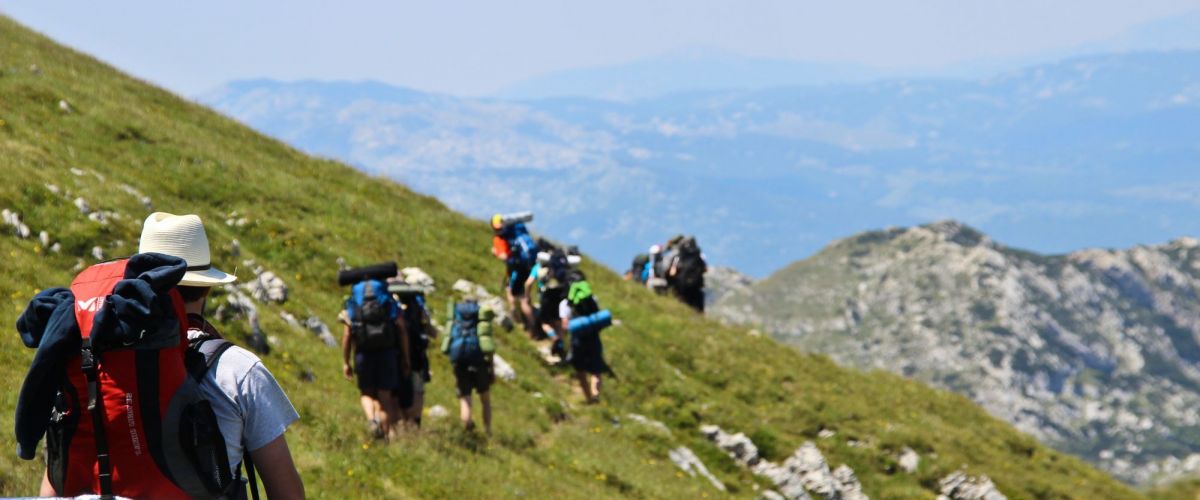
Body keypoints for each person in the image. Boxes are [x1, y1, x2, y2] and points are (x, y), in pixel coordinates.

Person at [32, 212, 305, 498]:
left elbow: (54, 486)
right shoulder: (239, 370)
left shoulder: (90, 358)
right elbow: (287, 493)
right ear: (208, 287)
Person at [342, 278, 411, 440]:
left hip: (363, 354)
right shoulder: (387, 302)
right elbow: (401, 328)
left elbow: (347, 335)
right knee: (385, 397)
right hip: (387, 354)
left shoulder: (353, 304)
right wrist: (405, 357)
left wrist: (346, 362)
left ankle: (371, 420)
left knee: (366, 393)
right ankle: (385, 437)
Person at [443, 297, 495, 435]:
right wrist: (492, 369)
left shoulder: (456, 320)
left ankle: (467, 425)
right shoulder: (481, 324)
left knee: (465, 398)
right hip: (479, 362)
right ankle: (488, 431)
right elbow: (489, 349)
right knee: (485, 399)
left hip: (460, 363)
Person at [560, 270, 612, 404]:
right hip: (593, 336)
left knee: (579, 369)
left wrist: (563, 339)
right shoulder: (592, 298)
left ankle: (588, 397)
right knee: (596, 368)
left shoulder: (566, 303)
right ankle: (596, 394)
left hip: (577, 338)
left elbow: (565, 325)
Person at [491, 215, 537, 338]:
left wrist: (495, 253)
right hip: (529, 265)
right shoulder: (516, 229)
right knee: (526, 295)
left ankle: (521, 322)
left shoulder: (500, 237)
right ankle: (532, 323)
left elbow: (504, 257)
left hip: (516, 269)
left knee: (514, 293)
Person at [396, 289, 434, 428]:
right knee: (418, 390)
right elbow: (431, 331)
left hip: (396, 354)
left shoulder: (390, 302)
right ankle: (415, 422)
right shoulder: (418, 304)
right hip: (417, 355)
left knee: (397, 389)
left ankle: (400, 422)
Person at [668, 237, 707, 313]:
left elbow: (672, 273)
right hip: (696, 287)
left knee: (683, 306)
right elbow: (705, 269)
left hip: (682, 287)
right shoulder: (698, 256)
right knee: (698, 309)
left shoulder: (678, 257)